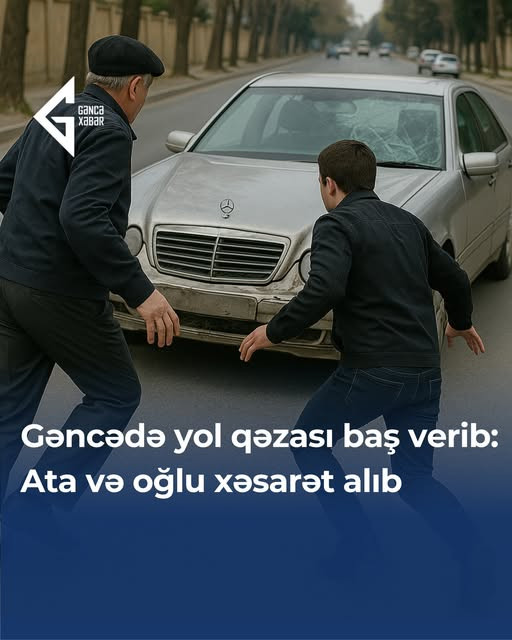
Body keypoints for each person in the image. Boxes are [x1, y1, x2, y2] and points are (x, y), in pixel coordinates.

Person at [239, 140, 486, 593]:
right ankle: (475, 563)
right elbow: (453, 276)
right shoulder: (408, 223)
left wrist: (272, 331)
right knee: (415, 478)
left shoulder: (336, 225)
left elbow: (325, 288)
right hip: (424, 373)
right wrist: (460, 321)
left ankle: (361, 549)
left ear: (330, 184)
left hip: (373, 370)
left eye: (320, 183)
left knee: (307, 443)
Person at [0, 36, 180, 517]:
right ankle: (35, 511)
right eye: (146, 91)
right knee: (115, 394)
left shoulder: (60, 111)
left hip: (12, 280)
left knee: (8, 414)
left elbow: (4, 183)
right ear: (135, 86)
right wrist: (142, 292)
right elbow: (82, 218)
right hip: (62, 292)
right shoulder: (110, 128)